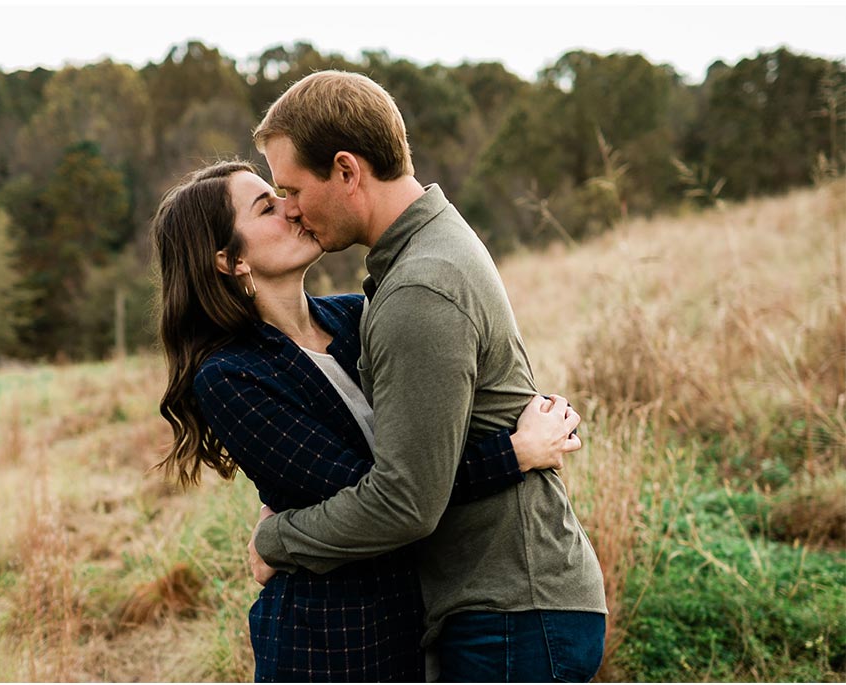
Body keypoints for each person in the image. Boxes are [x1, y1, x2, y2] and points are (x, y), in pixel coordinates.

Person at [153, 160, 584, 681]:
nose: (292, 208)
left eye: (284, 193)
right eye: (267, 206)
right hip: (330, 639)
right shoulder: (231, 377)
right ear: (230, 260)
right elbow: (391, 495)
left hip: (421, 616)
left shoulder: (357, 313)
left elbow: (433, 435)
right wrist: (512, 455)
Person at [247, 71, 608, 682]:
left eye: (292, 188)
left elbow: (405, 501)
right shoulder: (426, 252)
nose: (289, 209)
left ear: (346, 170)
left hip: (510, 617)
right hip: (503, 610)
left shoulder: (420, 287)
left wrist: (276, 541)